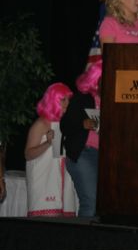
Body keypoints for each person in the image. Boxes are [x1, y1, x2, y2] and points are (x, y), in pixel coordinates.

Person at [25, 82, 78, 217]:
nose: (66, 103)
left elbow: (60, 155)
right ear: (53, 99)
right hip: (43, 181)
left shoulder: (62, 124)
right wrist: (47, 144)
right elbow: (28, 154)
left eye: (67, 99)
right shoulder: (41, 124)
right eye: (62, 99)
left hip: (59, 181)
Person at [60, 60, 102, 218]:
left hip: (105, 158)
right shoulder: (82, 98)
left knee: (100, 207)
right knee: (90, 203)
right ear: (95, 78)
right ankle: (83, 241)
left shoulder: (115, 101)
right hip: (84, 153)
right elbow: (65, 125)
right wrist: (82, 123)